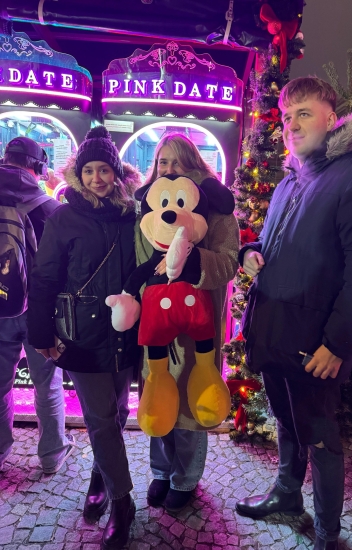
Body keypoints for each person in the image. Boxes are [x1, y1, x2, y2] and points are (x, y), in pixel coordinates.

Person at [235, 77, 352, 550]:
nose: (291, 124)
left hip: (315, 342)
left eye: (303, 113)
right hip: (275, 329)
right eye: (287, 116)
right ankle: (287, 495)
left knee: (321, 435)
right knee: (286, 420)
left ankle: (327, 531)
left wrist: (337, 343)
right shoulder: (293, 178)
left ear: (331, 117)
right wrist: (251, 251)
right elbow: (278, 241)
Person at [27, 126, 141, 550]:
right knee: (100, 417)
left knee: (118, 412)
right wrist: (41, 333)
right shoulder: (63, 217)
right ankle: (122, 502)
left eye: (104, 170)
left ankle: (100, 474)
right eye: (89, 170)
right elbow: (44, 278)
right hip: (81, 335)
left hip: (124, 333)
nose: (97, 178)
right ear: (78, 174)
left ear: (116, 173)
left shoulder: (132, 216)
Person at [135, 133, 239, 513]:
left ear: (194, 163)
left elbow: (228, 262)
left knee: (192, 407)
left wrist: (190, 261)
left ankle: (186, 477)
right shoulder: (149, 206)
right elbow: (138, 261)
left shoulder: (217, 210)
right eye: (162, 162)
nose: (168, 169)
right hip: (157, 323)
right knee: (158, 397)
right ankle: (161, 472)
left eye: (177, 161)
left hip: (198, 326)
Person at [0, 136, 75, 474]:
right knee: (47, 383)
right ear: (38, 167)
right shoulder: (50, 208)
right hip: (39, 311)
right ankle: (51, 454)